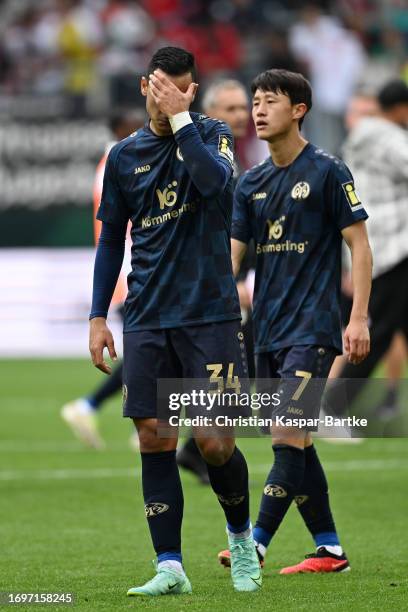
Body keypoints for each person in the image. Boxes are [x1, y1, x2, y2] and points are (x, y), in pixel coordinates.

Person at [89, 47, 261, 596]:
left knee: (214, 444)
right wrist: (98, 316)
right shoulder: (122, 156)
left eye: (181, 92)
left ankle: (241, 541)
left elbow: (217, 187)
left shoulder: (212, 136)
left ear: (191, 91)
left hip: (209, 314)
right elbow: (112, 238)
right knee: (154, 437)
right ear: (144, 86)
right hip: (146, 315)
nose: (168, 101)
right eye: (161, 90)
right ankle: (170, 566)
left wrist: (184, 119)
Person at [218, 69, 372, 573]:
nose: (258, 111)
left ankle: (254, 544)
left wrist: (359, 318)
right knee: (296, 441)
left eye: (269, 101)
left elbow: (360, 245)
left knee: (287, 434)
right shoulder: (252, 182)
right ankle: (329, 548)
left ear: (299, 109)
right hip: (265, 330)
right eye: (255, 102)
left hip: (314, 326)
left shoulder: (329, 171)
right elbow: (233, 260)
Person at [176, 79, 257, 484]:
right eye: (230, 109)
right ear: (209, 114)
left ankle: (196, 447)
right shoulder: (204, 159)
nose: (241, 116)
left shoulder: (244, 158)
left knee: (240, 377)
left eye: (244, 107)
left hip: (233, 284)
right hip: (207, 288)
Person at [61, 111, 143, 450]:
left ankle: (92, 408)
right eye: (135, 127)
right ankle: (95, 408)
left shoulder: (111, 162)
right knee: (150, 351)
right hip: (130, 269)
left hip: (126, 269)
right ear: (121, 129)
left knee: (147, 351)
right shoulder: (120, 161)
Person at [327, 79, 408, 419]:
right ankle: (332, 407)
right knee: (382, 330)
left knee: (389, 325)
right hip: (397, 246)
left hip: (373, 242)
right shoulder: (391, 137)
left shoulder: (357, 141)